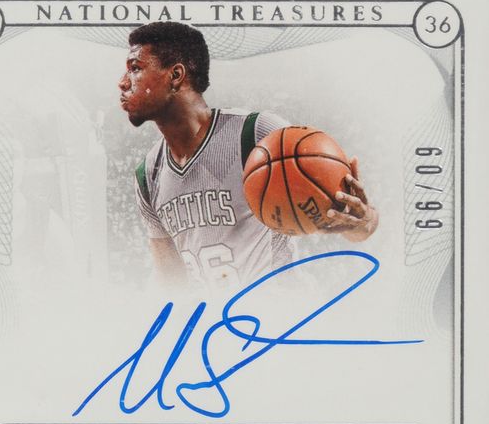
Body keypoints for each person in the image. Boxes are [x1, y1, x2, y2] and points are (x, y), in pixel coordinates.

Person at [118, 21, 379, 291]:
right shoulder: (147, 174)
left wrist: (364, 221)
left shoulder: (257, 133)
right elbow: (170, 282)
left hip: (281, 310)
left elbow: (352, 223)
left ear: (176, 75)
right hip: (213, 315)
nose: (123, 82)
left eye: (135, 68)